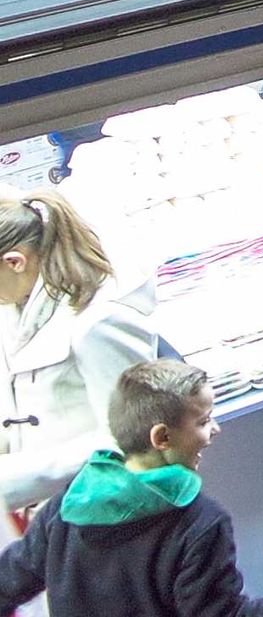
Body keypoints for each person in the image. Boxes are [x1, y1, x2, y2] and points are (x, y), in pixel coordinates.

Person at [0, 357, 263, 617]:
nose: (215, 430)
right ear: (162, 436)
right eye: (203, 421)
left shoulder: (68, 503)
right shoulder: (199, 524)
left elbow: (11, 579)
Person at [2, 190, 168, 528]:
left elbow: (135, 440)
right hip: (48, 520)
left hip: (101, 522)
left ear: (15, 262)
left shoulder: (100, 322)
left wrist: (16, 479)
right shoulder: (15, 307)